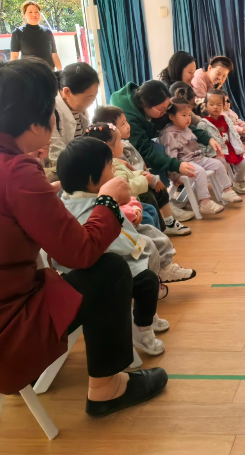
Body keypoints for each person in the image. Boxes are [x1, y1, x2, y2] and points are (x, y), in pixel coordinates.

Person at [0, 59, 167, 418]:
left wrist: (42, 191)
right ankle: (107, 388)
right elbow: (81, 252)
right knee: (109, 270)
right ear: (37, 123)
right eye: (51, 112)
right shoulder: (15, 172)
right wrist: (107, 202)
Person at [56, 138, 168, 356]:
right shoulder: (86, 210)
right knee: (148, 281)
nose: (115, 171)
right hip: (102, 272)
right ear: (92, 180)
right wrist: (137, 246)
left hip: (111, 260)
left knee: (150, 250)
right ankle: (142, 329)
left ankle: (145, 315)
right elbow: (110, 245)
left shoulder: (81, 198)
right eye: (110, 167)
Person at [109, 79, 225, 199]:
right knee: (158, 151)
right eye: (162, 110)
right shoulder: (130, 118)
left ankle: (165, 197)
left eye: (167, 107)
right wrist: (176, 166)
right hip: (128, 154)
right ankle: (163, 197)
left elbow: (181, 124)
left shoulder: (157, 106)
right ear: (145, 106)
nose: (166, 113)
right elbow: (146, 151)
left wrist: (208, 139)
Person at [92, 105, 194, 235]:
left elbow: (137, 166)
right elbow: (128, 177)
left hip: (141, 179)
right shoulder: (115, 155)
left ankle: (168, 222)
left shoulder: (125, 144)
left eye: (126, 121)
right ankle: (158, 230)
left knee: (160, 191)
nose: (128, 126)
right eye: (123, 124)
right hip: (135, 186)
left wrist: (151, 177)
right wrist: (149, 180)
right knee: (149, 198)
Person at [160, 98, 243, 215]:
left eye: (189, 115)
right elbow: (170, 157)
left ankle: (227, 190)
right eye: (184, 115)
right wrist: (175, 175)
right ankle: (204, 202)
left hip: (197, 158)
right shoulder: (169, 134)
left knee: (218, 163)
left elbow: (199, 136)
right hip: (184, 165)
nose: (188, 118)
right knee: (199, 171)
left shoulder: (187, 128)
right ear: (172, 117)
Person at [45, 62, 99, 180]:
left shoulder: (80, 109)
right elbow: (56, 153)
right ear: (67, 92)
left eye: (94, 98)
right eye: (89, 98)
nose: (91, 103)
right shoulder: (51, 111)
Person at [200, 89, 245, 195]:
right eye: (212, 104)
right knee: (222, 163)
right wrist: (210, 153)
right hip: (216, 151)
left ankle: (238, 182)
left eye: (219, 104)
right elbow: (201, 142)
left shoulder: (226, 119)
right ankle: (224, 186)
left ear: (223, 105)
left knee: (243, 163)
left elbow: (233, 135)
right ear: (206, 105)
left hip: (229, 148)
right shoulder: (203, 123)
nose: (215, 107)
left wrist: (240, 146)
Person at [10, 0, 62, 70]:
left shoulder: (47, 32)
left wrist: (60, 72)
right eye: (30, 12)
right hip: (30, 73)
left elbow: (54, 55)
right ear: (24, 15)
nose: (34, 14)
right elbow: (14, 57)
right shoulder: (18, 33)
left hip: (49, 73)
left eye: (36, 12)